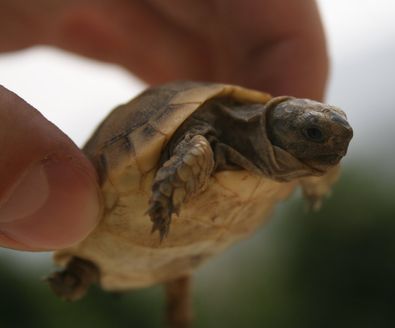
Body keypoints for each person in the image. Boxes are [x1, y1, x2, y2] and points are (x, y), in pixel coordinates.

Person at [0, 0, 328, 251]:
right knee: (198, 149)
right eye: (312, 132)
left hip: (188, 249)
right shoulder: (202, 137)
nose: (332, 145)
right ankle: (83, 268)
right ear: (273, 121)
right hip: (102, 221)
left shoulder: (285, 156)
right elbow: (195, 150)